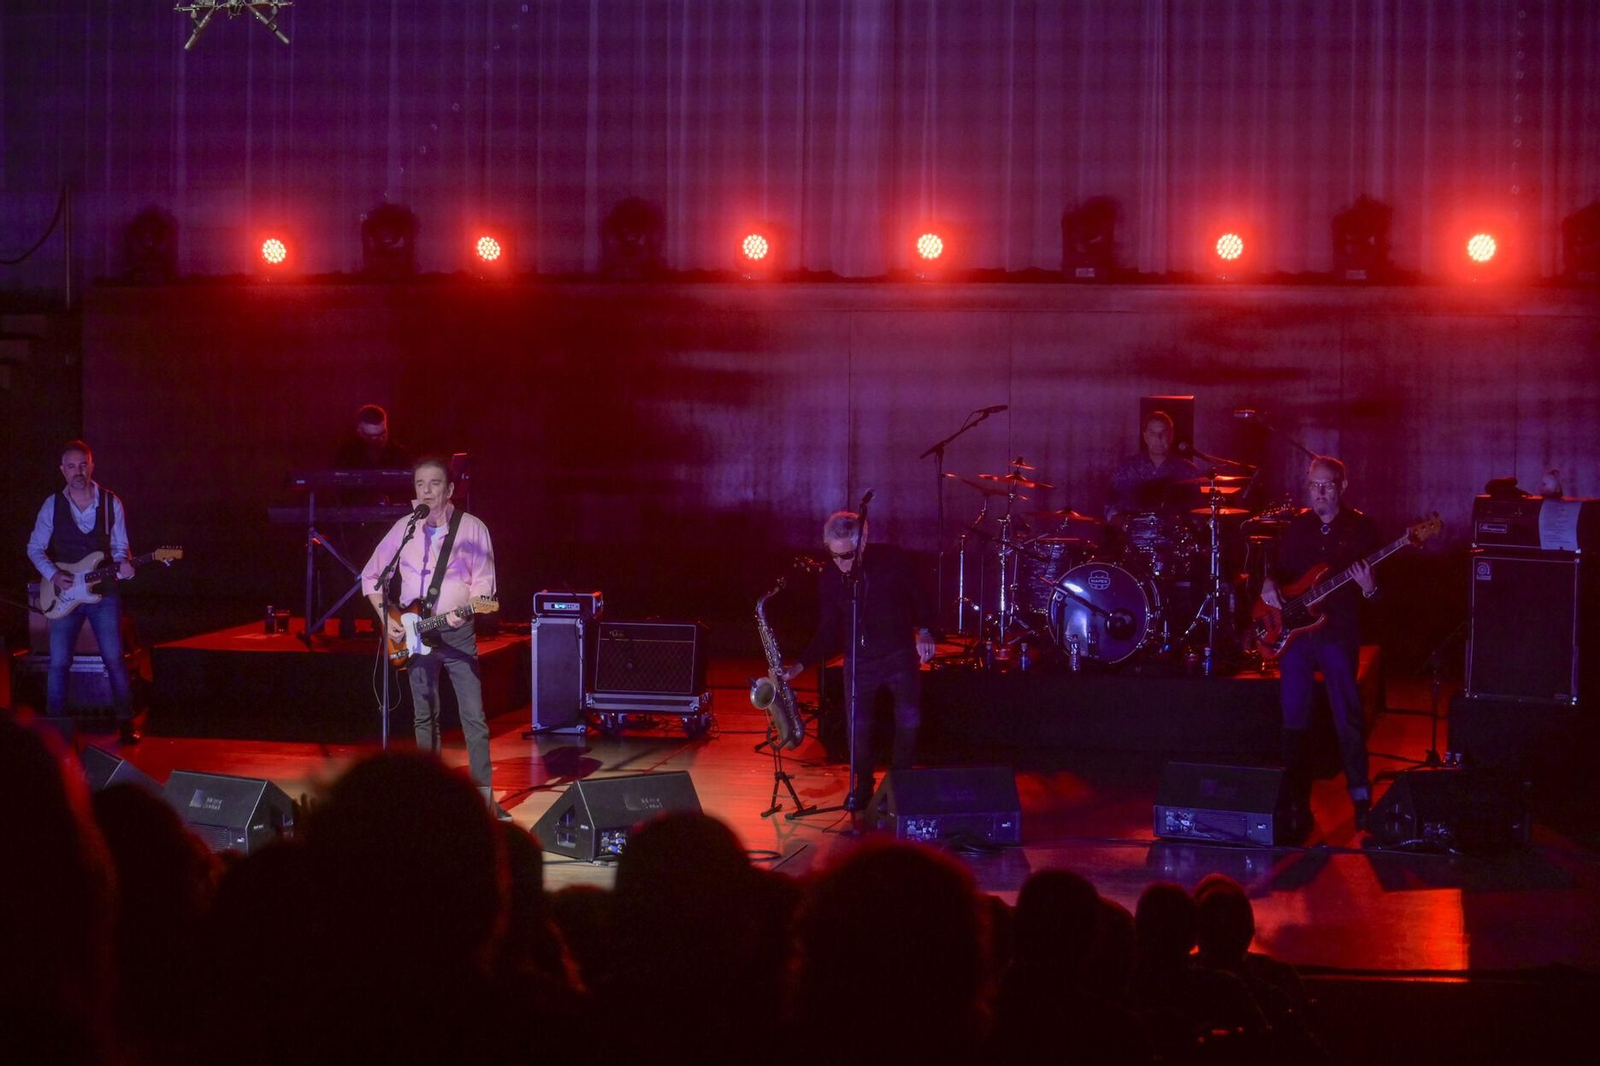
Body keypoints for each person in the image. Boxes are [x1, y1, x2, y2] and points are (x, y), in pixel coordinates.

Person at [361, 458, 503, 817]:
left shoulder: (472, 529)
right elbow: (371, 578)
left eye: (435, 483)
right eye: (420, 484)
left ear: (450, 489)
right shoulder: (403, 529)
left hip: (457, 634)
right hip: (412, 633)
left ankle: (484, 802)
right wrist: (387, 617)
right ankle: (428, 798)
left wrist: (466, 609)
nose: (426, 490)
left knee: (473, 717)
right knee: (424, 717)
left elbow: (484, 586)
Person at [783, 511, 936, 808]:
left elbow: (921, 597)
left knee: (908, 718)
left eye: (849, 555)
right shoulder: (831, 576)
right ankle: (863, 786)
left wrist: (926, 631)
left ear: (864, 542)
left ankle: (899, 783)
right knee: (859, 726)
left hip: (898, 653)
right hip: (859, 660)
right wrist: (802, 663)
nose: (843, 563)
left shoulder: (892, 560)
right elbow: (829, 625)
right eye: (835, 555)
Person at [1260, 456, 1379, 832]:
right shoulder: (1298, 526)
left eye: (1327, 485)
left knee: (1347, 714)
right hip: (1297, 637)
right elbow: (1279, 571)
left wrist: (1370, 588)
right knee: (1294, 716)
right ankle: (1297, 802)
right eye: (1314, 486)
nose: (1320, 493)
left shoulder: (1361, 529)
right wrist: (1267, 583)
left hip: (1337, 633)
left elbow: (1379, 596)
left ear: (1343, 486)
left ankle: (1361, 797)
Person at [26, 441, 138, 744]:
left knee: (114, 658)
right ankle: (54, 730)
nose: (79, 471)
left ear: (92, 466)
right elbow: (34, 548)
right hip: (64, 596)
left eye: (83, 464)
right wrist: (53, 574)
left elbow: (119, 548)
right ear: (63, 470)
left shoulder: (111, 503)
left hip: (103, 594)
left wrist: (126, 566)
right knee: (59, 661)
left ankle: (126, 723)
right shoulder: (52, 504)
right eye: (72, 466)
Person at [1106, 410, 1198, 523]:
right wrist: (1123, 524)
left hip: (1173, 536)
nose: (1159, 438)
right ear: (1145, 437)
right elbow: (1110, 507)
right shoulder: (1127, 468)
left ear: (1171, 435)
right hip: (1134, 535)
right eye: (1153, 434)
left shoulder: (1187, 470)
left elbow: (1197, 511)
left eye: (1163, 433)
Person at [335, 403, 411, 470]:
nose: (377, 440)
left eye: (382, 434)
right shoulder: (346, 455)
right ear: (359, 431)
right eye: (371, 436)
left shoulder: (399, 454)